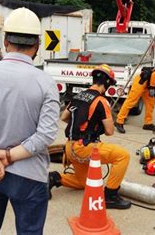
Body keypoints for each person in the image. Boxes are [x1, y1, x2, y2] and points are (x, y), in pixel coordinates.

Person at [0, 7, 59, 234]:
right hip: (30, 175)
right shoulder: (45, 83)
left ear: (5, 42)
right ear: (37, 44)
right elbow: (46, 134)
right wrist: (9, 156)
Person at [48, 64, 131, 209]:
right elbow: (110, 131)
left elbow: (64, 117)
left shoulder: (78, 96)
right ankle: (110, 196)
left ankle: (54, 178)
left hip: (69, 147)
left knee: (84, 183)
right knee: (122, 156)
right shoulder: (101, 101)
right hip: (85, 148)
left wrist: (83, 124)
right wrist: (98, 123)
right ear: (107, 82)